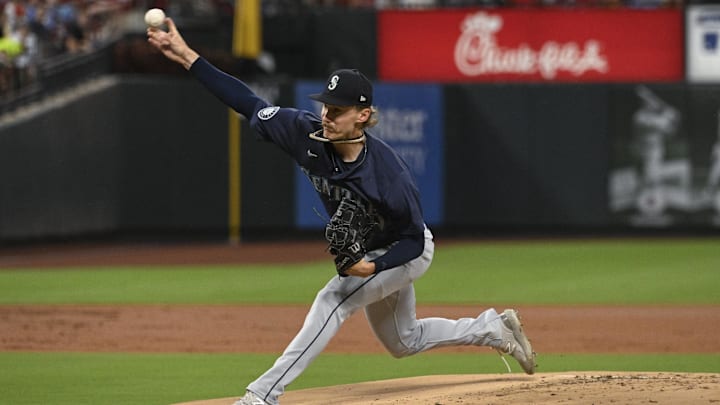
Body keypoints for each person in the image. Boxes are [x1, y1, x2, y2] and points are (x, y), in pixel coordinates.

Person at [147, 17, 536, 405]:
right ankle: (493, 328)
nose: (326, 115)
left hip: (404, 250)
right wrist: (187, 57)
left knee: (334, 299)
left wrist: (373, 268)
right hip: (373, 248)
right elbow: (248, 103)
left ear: (362, 115)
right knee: (404, 341)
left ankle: (262, 394)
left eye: (338, 110)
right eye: (326, 106)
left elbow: (415, 240)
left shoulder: (388, 175)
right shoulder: (303, 133)